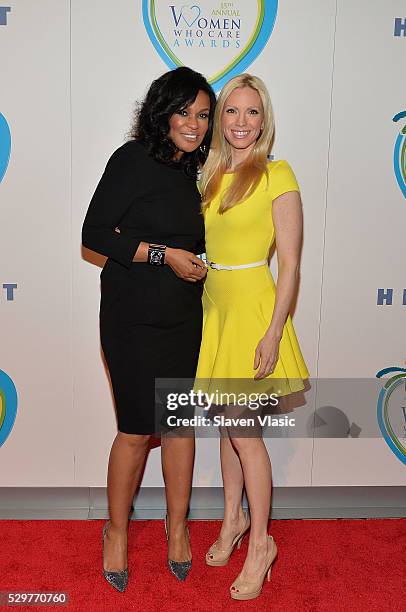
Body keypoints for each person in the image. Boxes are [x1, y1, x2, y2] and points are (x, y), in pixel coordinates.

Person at [82, 67, 216, 591]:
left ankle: (177, 528)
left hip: (184, 317)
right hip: (132, 317)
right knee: (138, 429)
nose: (195, 124)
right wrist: (164, 256)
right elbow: (94, 234)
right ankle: (116, 532)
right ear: (161, 113)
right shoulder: (132, 159)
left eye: (204, 114)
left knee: (179, 426)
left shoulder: (198, 170)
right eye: (184, 112)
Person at [196, 73, 309, 600]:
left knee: (244, 434)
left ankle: (262, 542)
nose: (242, 123)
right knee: (227, 429)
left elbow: (289, 266)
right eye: (232, 112)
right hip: (215, 309)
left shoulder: (278, 174)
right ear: (221, 120)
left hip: (253, 311)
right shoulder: (212, 174)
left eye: (253, 112)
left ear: (265, 121)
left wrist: (273, 330)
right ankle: (231, 521)